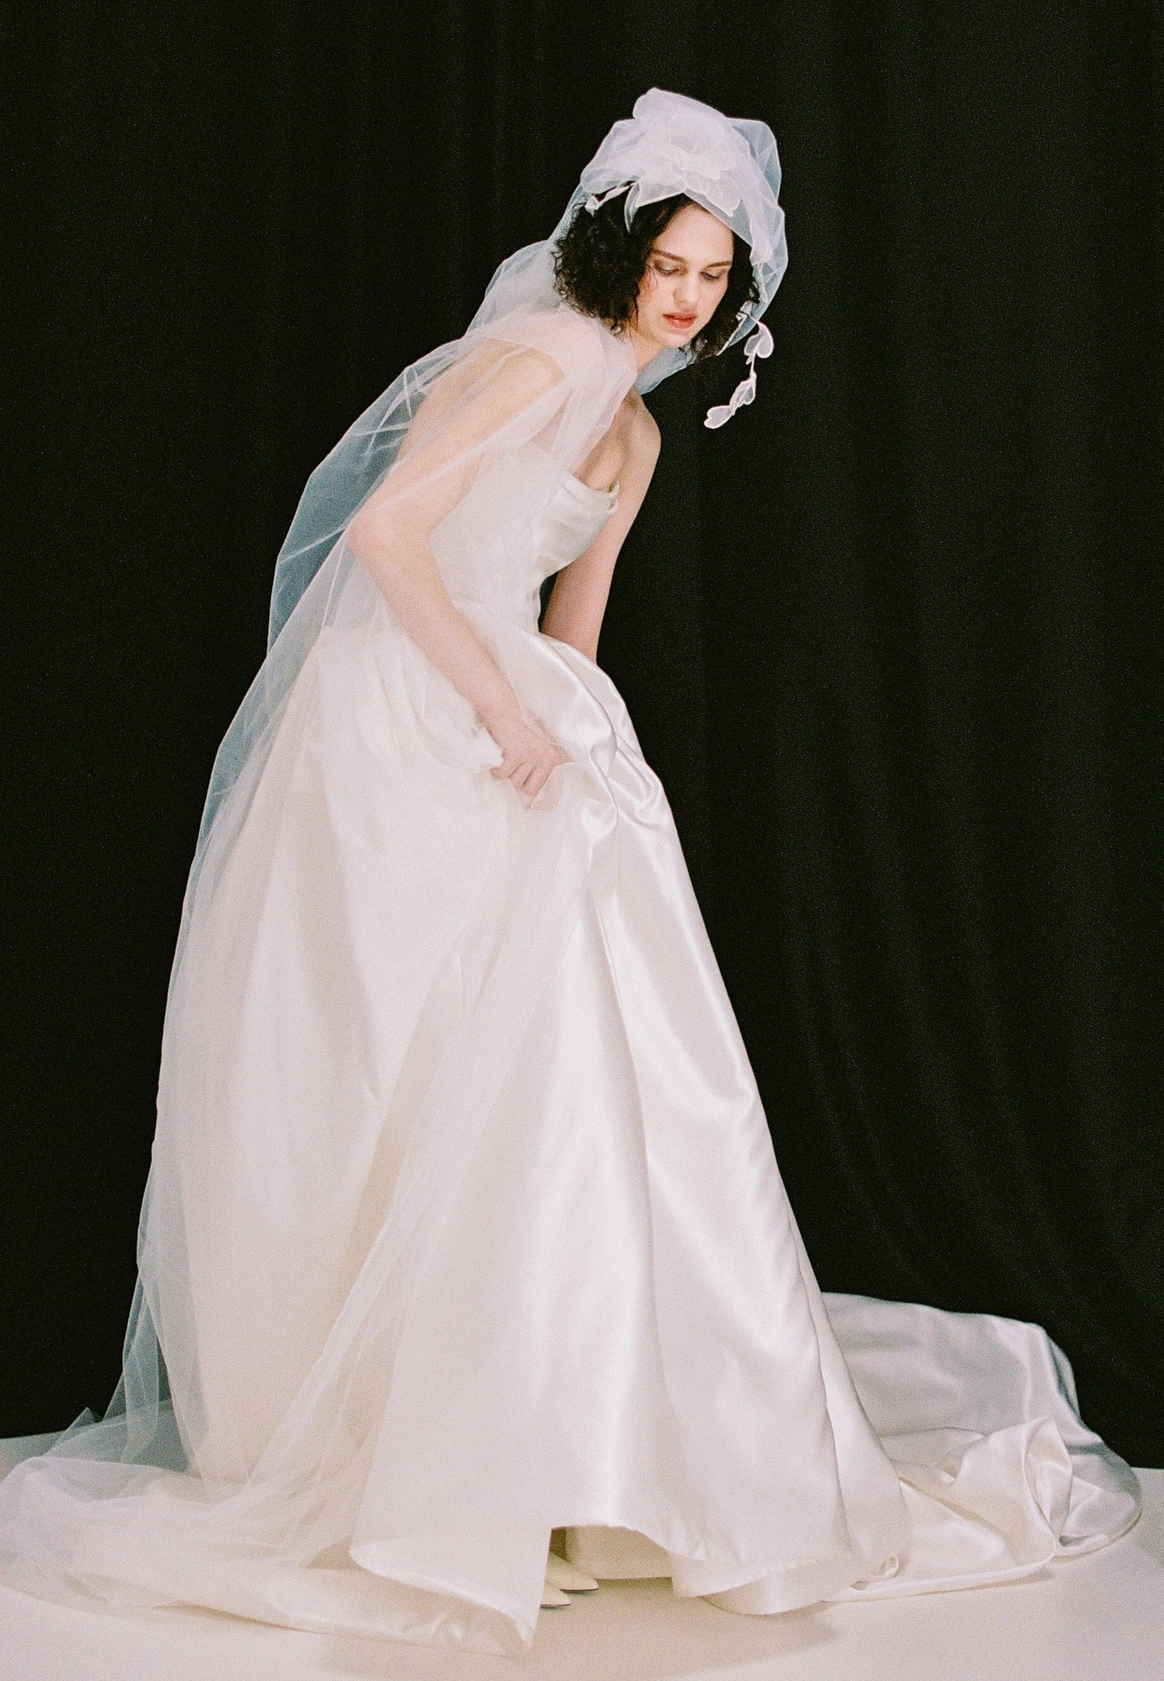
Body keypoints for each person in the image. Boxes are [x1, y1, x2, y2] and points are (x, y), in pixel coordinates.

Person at [0, 89, 1140, 1656]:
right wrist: (498, 711)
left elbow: (575, 618)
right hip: (401, 711)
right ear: (620, 251)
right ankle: (389, 1457)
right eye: (672, 265)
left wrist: (579, 737)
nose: (688, 298)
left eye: (713, 278)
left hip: (515, 711)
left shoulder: (643, 430)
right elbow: (389, 536)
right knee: (399, 1058)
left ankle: (553, 1454)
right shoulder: (535, 358)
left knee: (561, 1076)